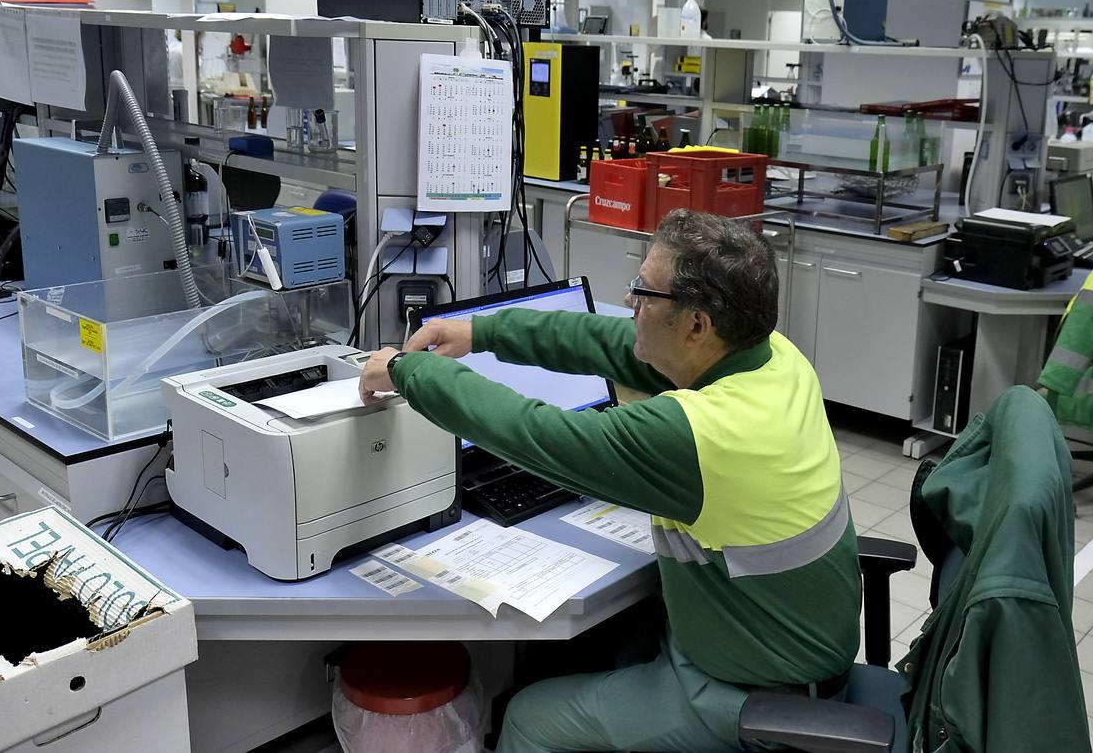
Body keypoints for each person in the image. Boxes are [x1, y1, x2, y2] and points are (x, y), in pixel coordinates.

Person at [359, 209, 861, 753]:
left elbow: (533, 433)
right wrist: (480, 332)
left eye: (644, 292)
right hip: (771, 647)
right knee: (592, 645)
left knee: (529, 717)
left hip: (752, 696)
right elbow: (606, 340)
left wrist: (409, 371)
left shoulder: (703, 433)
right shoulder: (771, 358)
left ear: (697, 325)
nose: (630, 302)